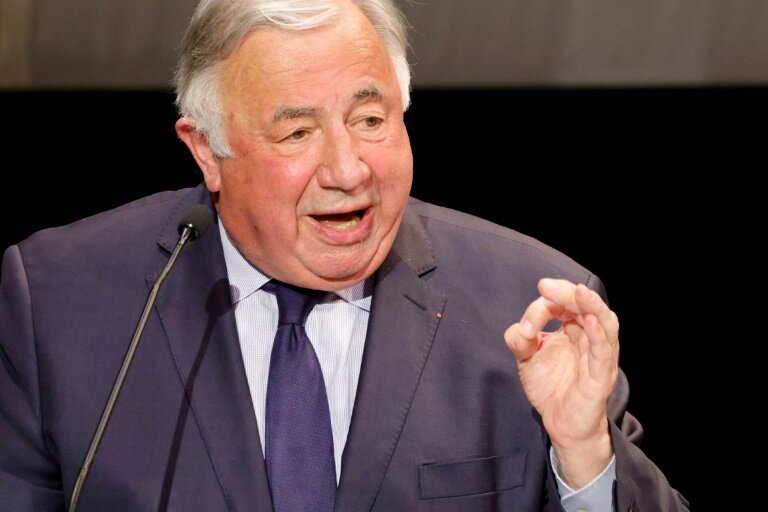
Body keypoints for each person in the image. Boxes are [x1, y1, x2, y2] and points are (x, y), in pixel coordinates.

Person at [0, 0, 688, 510]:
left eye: (370, 120)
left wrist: (582, 453)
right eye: (297, 132)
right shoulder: (61, 304)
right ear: (207, 150)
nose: (348, 169)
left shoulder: (529, 308)